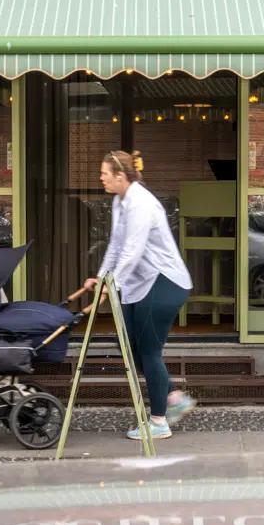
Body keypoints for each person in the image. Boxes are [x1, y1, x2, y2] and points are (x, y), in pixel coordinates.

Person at [84, 150, 197, 441]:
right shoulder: (119, 202)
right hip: (140, 283)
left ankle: (159, 422)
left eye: (104, 173)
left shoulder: (142, 204)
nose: (101, 178)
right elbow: (116, 246)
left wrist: (112, 285)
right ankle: (174, 398)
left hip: (163, 282)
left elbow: (132, 252)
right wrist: (101, 278)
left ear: (120, 176)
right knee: (132, 349)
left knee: (148, 350)